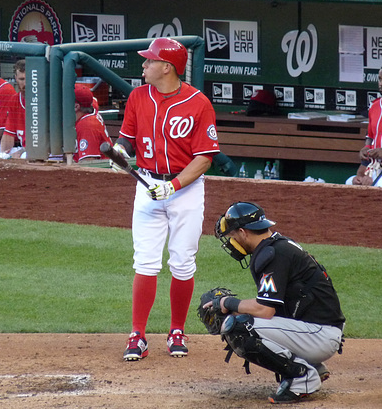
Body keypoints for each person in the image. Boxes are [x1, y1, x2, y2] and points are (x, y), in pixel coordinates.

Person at [111, 37, 220, 361]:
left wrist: (173, 185)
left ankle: (177, 331)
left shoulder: (198, 103)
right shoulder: (138, 97)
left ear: (167, 67)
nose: (143, 65)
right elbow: (126, 140)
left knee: (182, 262)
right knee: (145, 261)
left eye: (149, 61)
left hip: (185, 191)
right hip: (146, 186)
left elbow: (204, 158)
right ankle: (138, 335)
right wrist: (119, 153)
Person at [209, 202, 345, 404]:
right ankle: (310, 365)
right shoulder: (276, 246)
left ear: (243, 232)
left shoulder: (273, 254)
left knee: (239, 327)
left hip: (319, 335)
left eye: (232, 236)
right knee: (239, 318)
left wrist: (229, 303)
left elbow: (265, 310)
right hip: (314, 330)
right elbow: (273, 307)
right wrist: (233, 308)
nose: (232, 242)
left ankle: (303, 377)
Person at [73, 84, 112, 162]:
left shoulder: (87, 126)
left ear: (76, 107)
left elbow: (88, 164)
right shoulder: (89, 105)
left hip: (102, 170)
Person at [0, 59, 27, 159]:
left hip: (47, 152)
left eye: (30, 79)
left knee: (24, 156)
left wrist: (22, 151)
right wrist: (4, 155)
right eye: (22, 79)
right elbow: (8, 134)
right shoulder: (14, 100)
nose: (26, 83)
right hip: (23, 149)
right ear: (15, 78)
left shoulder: (46, 101)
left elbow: (48, 141)